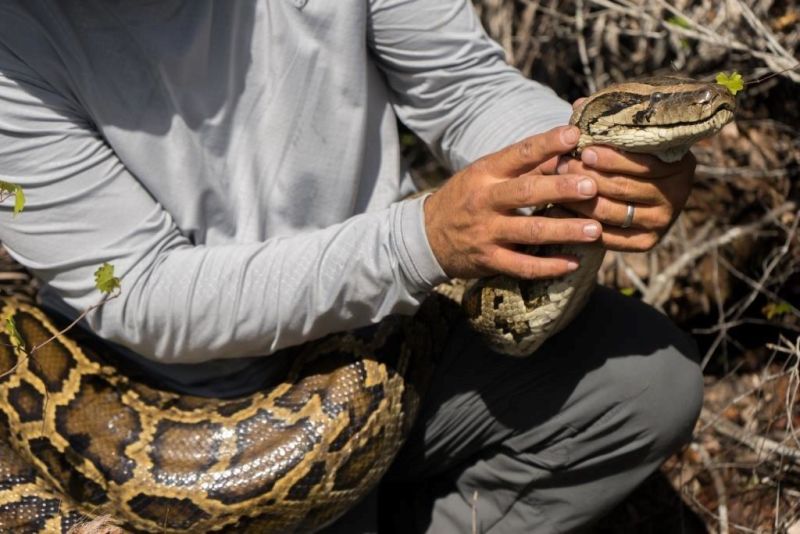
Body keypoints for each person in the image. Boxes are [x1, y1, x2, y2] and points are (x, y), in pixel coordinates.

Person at [0, 1, 702, 532]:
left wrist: (581, 169)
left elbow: (462, 87)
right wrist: (417, 242)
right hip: (173, 381)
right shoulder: (14, 48)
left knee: (645, 385)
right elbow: (145, 293)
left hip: (381, 319)